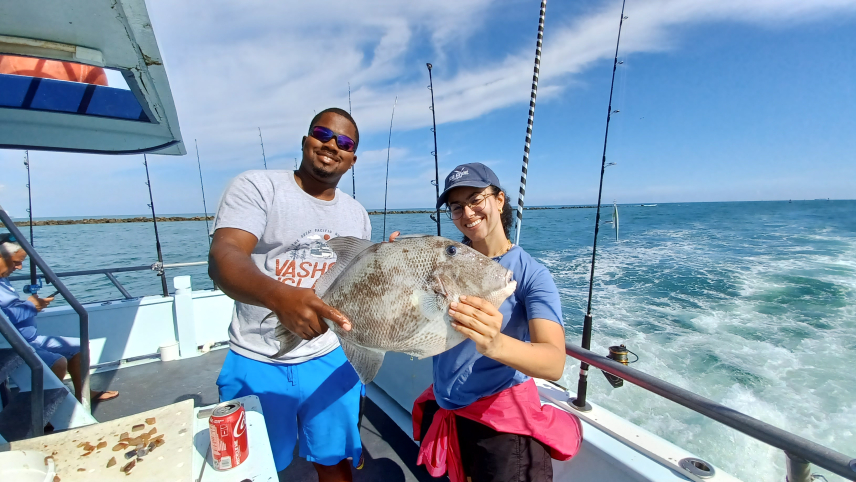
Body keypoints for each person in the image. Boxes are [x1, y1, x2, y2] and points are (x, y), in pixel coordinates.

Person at [209, 108, 382, 481]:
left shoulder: (357, 214)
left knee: (334, 459)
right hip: (256, 359)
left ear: (352, 160)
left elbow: (360, 279)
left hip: (329, 358)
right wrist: (280, 298)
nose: (332, 145)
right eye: (323, 134)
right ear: (306, 141)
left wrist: (391, 260)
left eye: (345, 142)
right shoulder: (257, 187)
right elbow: (224, 257)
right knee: (253, 469)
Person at [411, 163, 583, 482]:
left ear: (500, 200)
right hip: (449, 408)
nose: (468, 212)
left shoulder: (532, 275)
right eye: (457, 207)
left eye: (476, 199)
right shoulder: (443, 262)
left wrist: (496, 343)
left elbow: (553, 362)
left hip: (499, 425)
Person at [0, 233, 118, 404]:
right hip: (14, 345)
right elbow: (4, 319)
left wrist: (34, 305)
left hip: (30, 339)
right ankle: (44, 410)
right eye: (16, 262)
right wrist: (31, 306)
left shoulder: (4, 281)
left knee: (79, 347)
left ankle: (83, 394)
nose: (19, 267)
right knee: (58, 362)